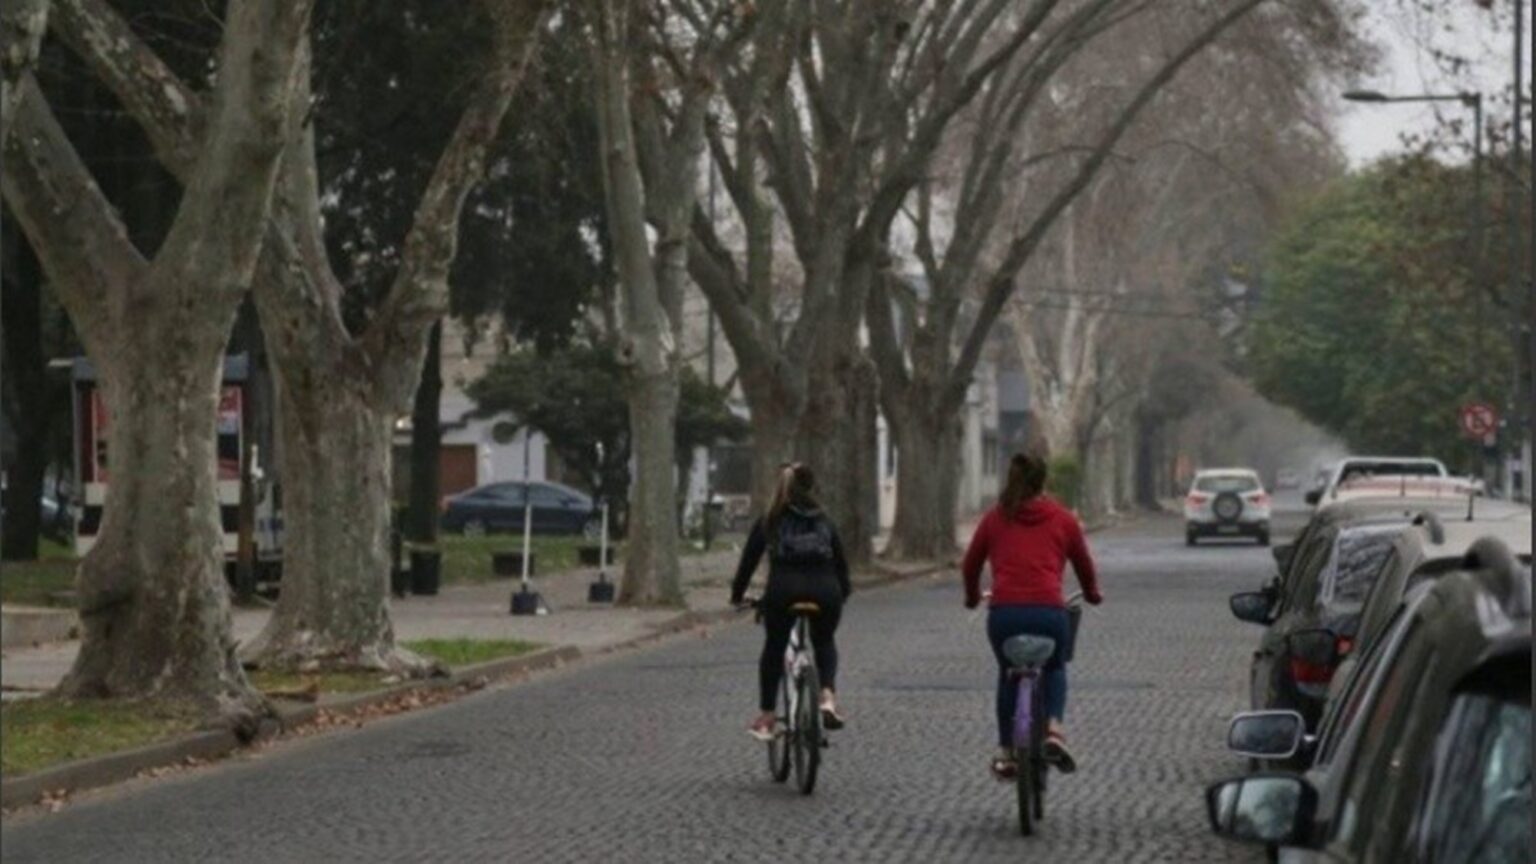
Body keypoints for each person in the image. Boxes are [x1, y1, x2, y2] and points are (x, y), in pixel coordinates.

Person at [963, 452, 1102, 779]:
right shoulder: (1063, 519)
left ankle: (1007, 749)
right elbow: (1084, 565)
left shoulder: (995, 518)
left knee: (1006, 671)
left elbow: (970, 564)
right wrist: (1093, 594)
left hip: (1005, 615)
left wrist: (972, 597)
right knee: (1055, 665)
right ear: (1043, 481)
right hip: (1048, 614)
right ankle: (1054, 728)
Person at [730, 463, 852, 742]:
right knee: (824, 641)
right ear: (812, 488)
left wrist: (737, 596)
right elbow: (842, 566)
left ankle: (768, 717)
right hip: (825, 590)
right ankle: (827, 697)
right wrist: (841, 593)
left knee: (774, 647)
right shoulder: (825, 520)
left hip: (783, 591)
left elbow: (747, 564)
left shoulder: (770, 520)